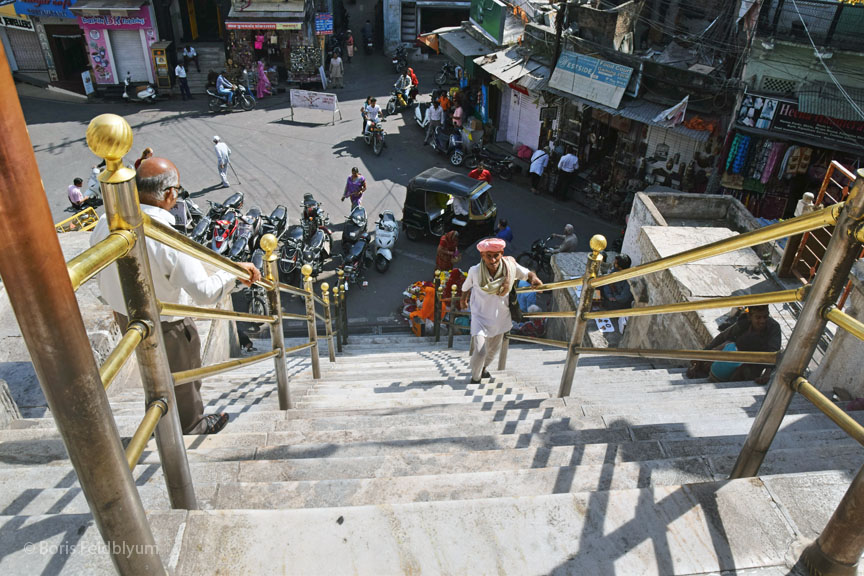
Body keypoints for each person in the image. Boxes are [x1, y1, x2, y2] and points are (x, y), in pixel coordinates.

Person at [90, 157, 261, 435]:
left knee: (153, 374)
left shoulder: (104, 222)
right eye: (177, 191)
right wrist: (233, 272)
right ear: (170, 194)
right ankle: (191, 424)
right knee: (184, 379)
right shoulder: (165, 237)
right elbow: (204, 293)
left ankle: (160, 416)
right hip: (167, 324)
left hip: (126, 316)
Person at [459, 238, 542, 383]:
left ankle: (483, 369)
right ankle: (475, 377)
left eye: (496, 255)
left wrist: (534, 279)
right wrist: (463, 299)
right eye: (488, 256)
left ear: (501, 253)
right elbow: (466, 287)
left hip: (501, 318)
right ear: (482, 256)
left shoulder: (510, 267)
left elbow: (527, 274)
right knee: (480, 352)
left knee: (491, 352)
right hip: (480, 318)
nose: (492, 260)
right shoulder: (475, 271)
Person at [685, 305, 782, 385]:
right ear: (750, 317)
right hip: (736, 354)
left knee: (743, 373)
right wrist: (700, 357)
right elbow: (722, 337)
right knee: (718, 349)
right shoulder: (744, 323)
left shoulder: (773, 327)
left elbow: (773, 352)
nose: (762, 321)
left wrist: (767, 374)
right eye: (758, 317)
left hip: (755, 362)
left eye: (765, 317)